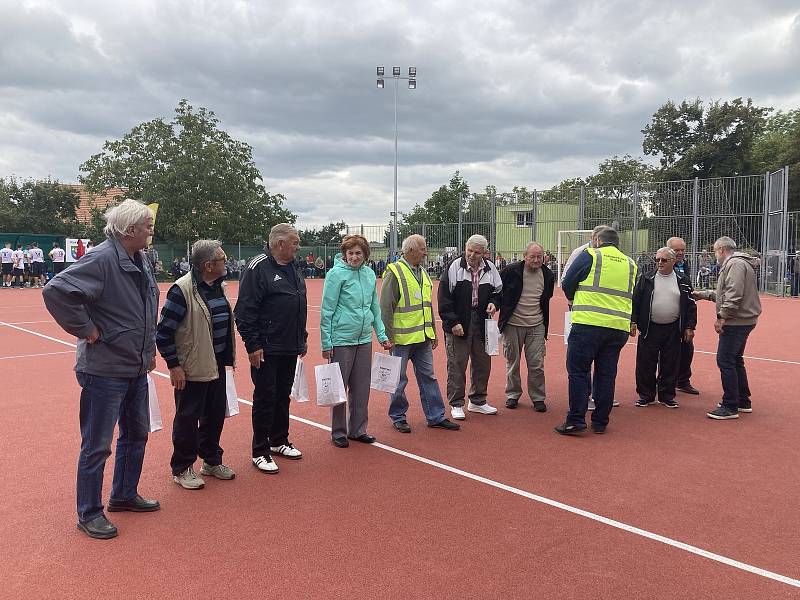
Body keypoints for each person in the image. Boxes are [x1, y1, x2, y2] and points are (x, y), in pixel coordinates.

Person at [42, 199, 160, 539]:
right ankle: (89, 512)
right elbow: (57, 291)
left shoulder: (142, 258)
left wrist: (147, 352)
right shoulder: (102, 258)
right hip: (104, 369)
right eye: (146, 224)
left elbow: (147, 308)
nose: (151, 229)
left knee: (137, 434)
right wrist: (87, 329)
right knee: (97, 444)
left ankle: (123, 494)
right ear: (128, 230)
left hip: (134, 366)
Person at [156, 240, 237, 490]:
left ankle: (211, 461)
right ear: (208, 265)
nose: (227, 262)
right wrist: (174, 365)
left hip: (216, 364)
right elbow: (163, 332)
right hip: (191, 368)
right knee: (187, 419)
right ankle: (182, 467)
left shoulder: (217, 287)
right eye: (223, 259)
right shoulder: (182, 290)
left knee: (214, 416)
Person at [235, 223, 307, 473]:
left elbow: (298, 302)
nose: (298, 246)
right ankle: (260, 450)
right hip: (266, 347)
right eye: (295, 242)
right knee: (265, 397)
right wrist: (253, 345)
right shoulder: (258, 268)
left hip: (289, 344)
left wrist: (302, 337)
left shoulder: (294, 266)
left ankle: (279, 440)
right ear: (280, 244)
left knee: (282, 396)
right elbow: (244, 311)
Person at [555, 227, 637, 435]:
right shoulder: (630, 263)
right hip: (618, 327)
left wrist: (576, 298)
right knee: (606, 375)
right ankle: (600, 422)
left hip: (588, 324)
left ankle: (576, 420)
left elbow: (567, 284)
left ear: (597, 240)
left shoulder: (590, 255)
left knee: (579, 372)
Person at [380, 234, 460, 433]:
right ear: (411, 250)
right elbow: (385, 307)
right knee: (398, 380)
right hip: (401, 338)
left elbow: (427, 305)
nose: (426, 252)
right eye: (423, 248)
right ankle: (398, 416)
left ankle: (436, 416)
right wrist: (387, 336)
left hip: (422, 337)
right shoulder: (395, 271)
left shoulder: (423, 272)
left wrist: (432, 331)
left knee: (429, 377)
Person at [320, 235, 392, 447]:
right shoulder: (335, 275)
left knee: (361, 387)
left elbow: (374, 308)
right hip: (341, 339)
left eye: (358, 253)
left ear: (365, 254)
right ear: (345, 254)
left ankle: (358, 429)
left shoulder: (370, 274)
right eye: (350, 253)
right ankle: (339, 432)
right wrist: (326, 343)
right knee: (339, 387)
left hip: (363, 339)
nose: (354, 257)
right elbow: (327, 310)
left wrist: (381, 334)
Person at [693, 237, 762, 420]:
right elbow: (726, 293)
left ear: (722, 249)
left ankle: (730, 405)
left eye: (715, 251)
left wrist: (721, 317)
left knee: (725, 360)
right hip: (743, 319)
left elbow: (733, 294)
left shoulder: (735, 264)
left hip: (737, 320)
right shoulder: (739, 263)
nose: (715, 255)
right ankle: (742, 400)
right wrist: (704, 295)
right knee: (735, 359)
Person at [438, 234, 503, 420]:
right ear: (465, 248)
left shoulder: (491, 268)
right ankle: (456, 403)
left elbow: (498, 292)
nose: (472, 255)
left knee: (483, 362)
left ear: (484, 253)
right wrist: (453, 322)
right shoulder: (453, 267)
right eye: (469, 251)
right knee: (457, 363)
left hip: (482, 322)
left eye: (477, 252)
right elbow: (443, 299)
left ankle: (478, 401)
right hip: (459, 321)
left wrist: (494, 303)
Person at [631, 247, 697, 409]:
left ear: (674, 261)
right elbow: (636, 302)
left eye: (664, 260)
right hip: (649, 327)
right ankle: (646, 395)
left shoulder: (683, 279)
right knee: (645, 363)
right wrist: (632, 321)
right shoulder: (646, 278)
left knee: (671, 363)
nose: (659, 263)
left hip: (673, 328)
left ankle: (667, 395)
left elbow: (690, 305)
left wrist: (689, 326)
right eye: (657, 259)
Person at [498, 241, 555, 412]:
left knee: (536, 363)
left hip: (537, 325)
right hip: (513, 324)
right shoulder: (510, 271)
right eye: (532, 257)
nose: (536, 260)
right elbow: (497, 289)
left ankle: (538, 397)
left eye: (539, 256)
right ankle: (513, 394)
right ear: (525, 257)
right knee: (512, 362)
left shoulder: (548, 275)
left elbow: (547, 298)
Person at [666, 237, 700, 395]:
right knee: (666, 353)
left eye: (682, 250)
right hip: (665, 317)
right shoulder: (661, 263)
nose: (680, 253)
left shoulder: (685, 266)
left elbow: (689, 296)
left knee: (687, 349)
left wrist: (690, 325)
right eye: (676, 250)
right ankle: (665, 383)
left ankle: (683, 381)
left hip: (683, 316)